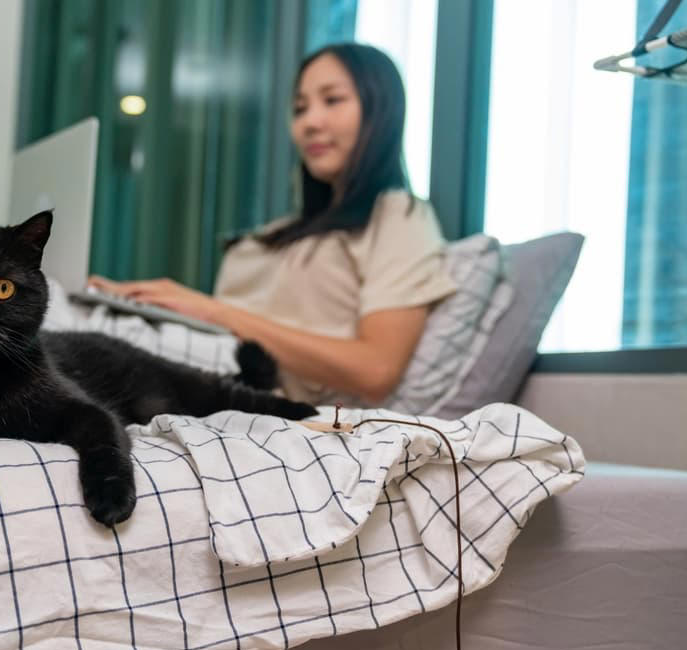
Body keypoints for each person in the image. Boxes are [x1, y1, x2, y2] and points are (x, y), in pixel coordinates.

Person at [88, 43, 456, 406]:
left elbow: (376, 370)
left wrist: (215, 312)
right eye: (300, 108)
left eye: (332, 100)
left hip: (250, 393)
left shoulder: (399, 216)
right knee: (76, 308)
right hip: (196, 364)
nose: (310, 122)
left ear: (380, 112)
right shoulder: (282, 231)